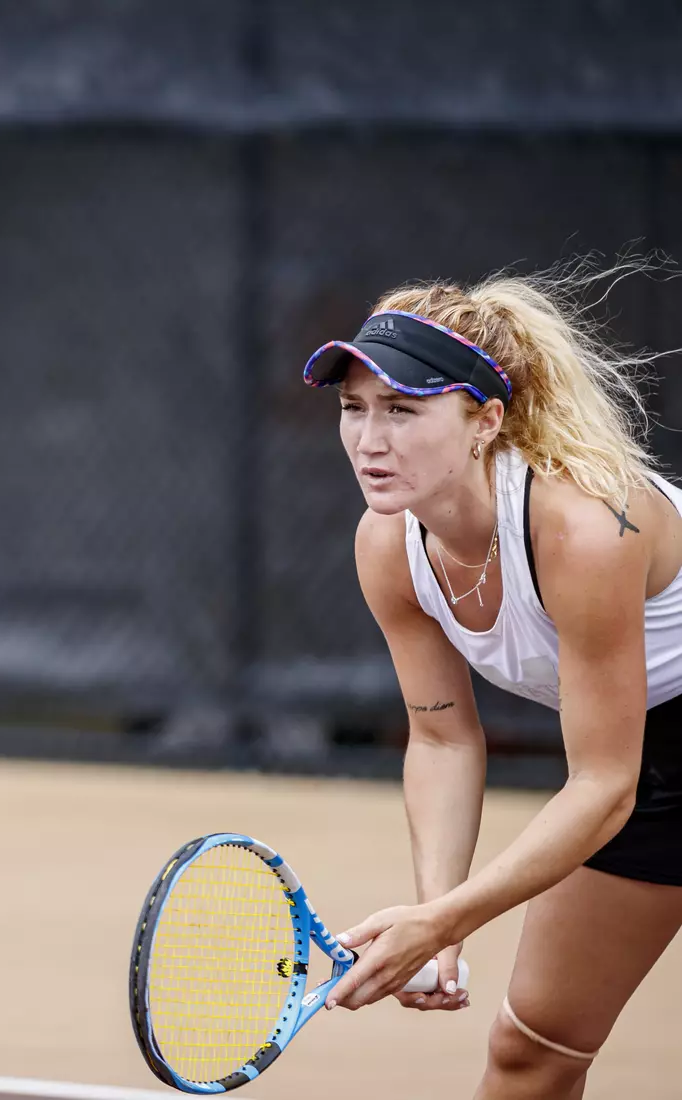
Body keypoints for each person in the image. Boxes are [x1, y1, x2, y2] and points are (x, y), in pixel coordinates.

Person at [301, 265, 682, 1098]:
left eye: (402, 410)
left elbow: (604, 782)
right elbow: (442, 737)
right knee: (531, 1053)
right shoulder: (388, 545)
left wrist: (445, 917)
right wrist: (436, 924)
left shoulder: (585, 527)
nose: (370, 439)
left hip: (633, 766)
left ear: (485, 423)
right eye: (352, 409)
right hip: (660, 762)